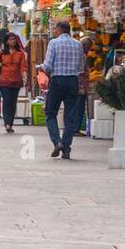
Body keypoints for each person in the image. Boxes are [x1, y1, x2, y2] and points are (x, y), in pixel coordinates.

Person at [39, 20, 85, 160]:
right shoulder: (78, 44)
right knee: (70, 116)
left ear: (59, 29)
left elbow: (47, 66)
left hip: (57, 81)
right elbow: (81, 67)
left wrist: (43, 69)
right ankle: (66, 149)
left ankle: (57, 141)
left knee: (51, 112)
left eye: (55, 29)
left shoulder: (54, 43)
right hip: (72, 81)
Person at [0, 30, 28, 133]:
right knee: (7, 100)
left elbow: (23, 67)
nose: (13, 41)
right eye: (11, 40)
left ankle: (10, 123)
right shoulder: (2, 53)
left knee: (13, 102)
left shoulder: (20, 53)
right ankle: (7, 123)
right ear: (6, 41)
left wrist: (24, 76)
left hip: (16, 80)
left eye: (14, 39)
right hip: (4, 80)